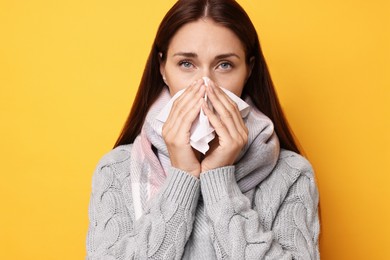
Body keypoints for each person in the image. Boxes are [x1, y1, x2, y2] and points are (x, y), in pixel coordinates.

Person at [86, 0, 320, 259]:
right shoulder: (115, 171)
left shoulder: (292, 174)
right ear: (163, 68)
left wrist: (220, 181)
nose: (205, 84)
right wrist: (182, 176)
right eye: (187, 63)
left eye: (225, 65)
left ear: (249, 70)